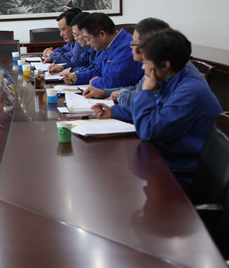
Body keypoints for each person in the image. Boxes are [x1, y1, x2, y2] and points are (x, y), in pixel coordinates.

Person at [92, 30, 222, 171]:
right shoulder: (172, 78)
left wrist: (146, 91)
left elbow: (149, 130)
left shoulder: (189, 92)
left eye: (145, 62)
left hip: (181, 168)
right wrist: (114, 111)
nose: (143, 67)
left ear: (164, 65)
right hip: (166, 155)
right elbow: (156, 111)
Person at [82, 17, 171, 101]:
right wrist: (105, 93)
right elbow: (137, 88)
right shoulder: (107, 47)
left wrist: (120, 95)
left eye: (134, 43)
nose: (130, 45)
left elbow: (114, 82)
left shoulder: (126, 48)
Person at [63, 13, 143, 88]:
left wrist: (94, 82)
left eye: (88, 39)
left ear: (102, 34)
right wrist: (77, 77)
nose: (87, 43)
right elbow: (98, 71)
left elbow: (114, 81)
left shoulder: (127, 47)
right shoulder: (108, 45)